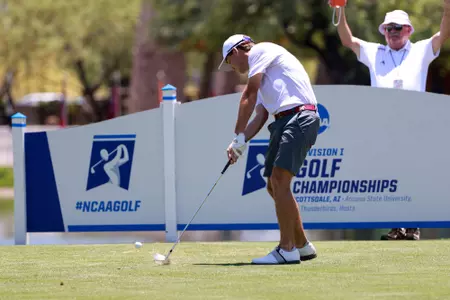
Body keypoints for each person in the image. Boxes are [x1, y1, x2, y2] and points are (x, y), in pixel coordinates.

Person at [333, 0, 450, 240]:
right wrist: (340, 9)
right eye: (389, 28)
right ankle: (398, 227)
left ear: (408, 30)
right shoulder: (375, 51)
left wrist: (448, 9)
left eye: (398, 27)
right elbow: (348, 40)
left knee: (413, 173)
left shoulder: (421, 49)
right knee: (391, 174)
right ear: (384, 31)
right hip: (383, 123)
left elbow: (443, 35)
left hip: (414, 123)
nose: (393, 32)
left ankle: (413, 226)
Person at [218, 34, 321, 264]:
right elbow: (261, 115)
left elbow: (248, 95)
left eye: (228, 62)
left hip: (299, 116)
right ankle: (302, 246)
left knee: (280, 181)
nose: (231, 67)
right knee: (274, 186)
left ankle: (287, 249)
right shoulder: (266, 75)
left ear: (235, 52)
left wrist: (237, 135)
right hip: (284, 120)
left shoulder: (260, 51)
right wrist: (241, 140)